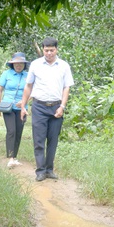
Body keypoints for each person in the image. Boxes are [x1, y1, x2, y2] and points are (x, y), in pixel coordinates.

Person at [20, 37, 74, 181]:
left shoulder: (64, 66)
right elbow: (28, 86)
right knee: (38, 140)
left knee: (53, 140)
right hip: (39, 107)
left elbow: (66, 87)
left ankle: (49, 169)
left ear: (56, 50)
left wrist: (62, 106)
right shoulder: (36, 65)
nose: (49, 53)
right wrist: (24, 106)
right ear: (42, 50)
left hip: (56, 107)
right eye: (46, 50)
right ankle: (40, 171)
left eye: (52, 50)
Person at [0, 52, 29, 168]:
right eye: (16, 63)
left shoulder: (28, 75)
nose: (18, 65)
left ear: (24, 64)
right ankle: (10, 157)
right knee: (11, 131)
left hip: (22, 108)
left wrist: (25, 101)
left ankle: (15, 157)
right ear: (12, 64)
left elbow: (33, 92)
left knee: (18, 132)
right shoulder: (6, 74)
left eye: (21, 63)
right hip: (7, 107)